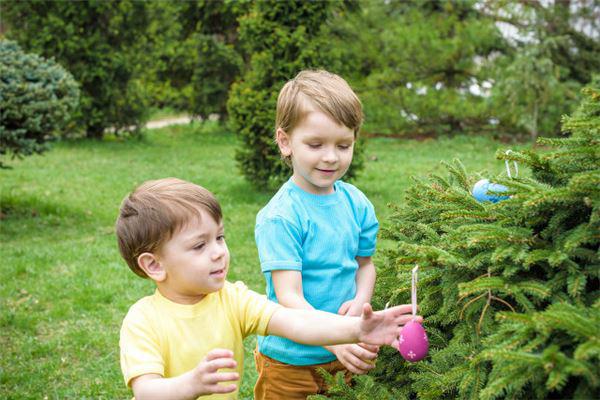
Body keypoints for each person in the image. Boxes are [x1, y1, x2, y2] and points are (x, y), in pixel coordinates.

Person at [116, 177, 418, 400]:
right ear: (154, 265)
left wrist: (355, 329)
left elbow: (295, 321)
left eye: (219, 238)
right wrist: (191, 384)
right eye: (199, 245)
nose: (219, 252)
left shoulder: (232, 299)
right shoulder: (143, 321)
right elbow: (147, 391)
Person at [254, 70, 380, 399]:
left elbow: (365, 264)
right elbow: (289, 297)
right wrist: (335, 337)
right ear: (285, 142)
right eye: (315, 144)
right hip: (289, 360)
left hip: (345, 350)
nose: (330, 156)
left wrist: (361, 300)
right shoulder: (281, 216)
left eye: (343, 145)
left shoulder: (357, 204)